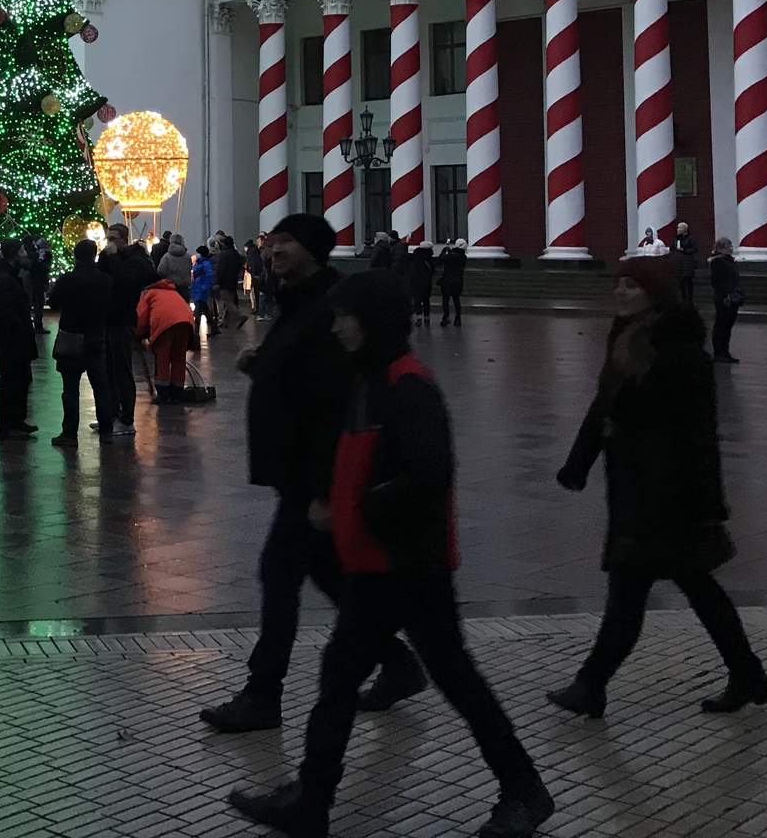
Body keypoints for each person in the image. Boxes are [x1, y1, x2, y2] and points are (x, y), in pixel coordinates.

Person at [229, 269, 554, 838]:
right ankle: (312, 799)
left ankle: (524, 789)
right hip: (374, 566)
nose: (338, 327)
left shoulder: (408, 386)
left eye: (346, 316)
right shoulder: (371, 382)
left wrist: (353, 508)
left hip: (410, 566)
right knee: (342, 680)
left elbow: (429, 475)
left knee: (456, 682)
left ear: (372, 321)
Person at [200, 215, 426, 736]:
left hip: (312, 477)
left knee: (279, 576)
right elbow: (300, 373)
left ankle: (264, 695)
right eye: (272, 243)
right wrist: (264, 363)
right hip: (298, 473)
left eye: (285, 244)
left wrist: (326, 491)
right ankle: (398, 663)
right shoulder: (299, 299)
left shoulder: (330, 308)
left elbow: (332, 400)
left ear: (314, 250)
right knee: (331, 579)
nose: (272, 251)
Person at [547, 256, 767, 719]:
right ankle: (747, 674)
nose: (622, 292)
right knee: (694, 590)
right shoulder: (626, 339)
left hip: (667, 494)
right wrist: (579, 461)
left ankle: (591, 684)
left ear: (654, 293)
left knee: (633, 593)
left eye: (632, 285)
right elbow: (603, 404)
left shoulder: (682, 353)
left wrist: (708, 503)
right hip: (636, 488)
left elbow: (700, 435)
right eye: (619, 284)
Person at [47, 239, 116, 447]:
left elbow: (53, 302)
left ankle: (69, 434)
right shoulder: (105, 280)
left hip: (71, 336)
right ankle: (106, 431)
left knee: (70, 389)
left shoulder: (68, 279)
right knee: (101, 386)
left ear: (75, 256)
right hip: (96, 336)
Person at [96, 224, 151, 437]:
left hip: (123, 320)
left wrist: (114, 259)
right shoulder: (110, 257)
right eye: (107, 238)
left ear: (123, 239)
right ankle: (111, 414)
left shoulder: (135, 261)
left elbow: (127, 283)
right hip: (108, 319)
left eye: (113, 238)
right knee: (108, 369)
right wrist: (105, 257)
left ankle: (127, 419)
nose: (109, 242)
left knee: (122, 370)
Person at [0, 238, 38, 439]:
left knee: (21, 380)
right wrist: (21, 329)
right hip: (12, 341)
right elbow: (7, 313)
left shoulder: (9, 276)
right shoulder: (4, 279)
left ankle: (17, 420)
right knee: (12, 382)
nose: (26, 254)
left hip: (16, 339)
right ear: (14, 255)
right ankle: (8, 424)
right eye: (23, 251)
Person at [136, 273, 197, 404]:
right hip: (186, 324)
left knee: (162, 357)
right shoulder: (173, 291)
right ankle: (176, 392)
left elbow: (141, 318)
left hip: (165, 326)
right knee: (178, 357)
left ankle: (163, 393)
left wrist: (138, 334)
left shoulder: (149, 293)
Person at [709, 238, 742, 364]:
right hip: (724, 298)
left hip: (732, 296)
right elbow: (717, 281)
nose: (731, 248)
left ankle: (725, 351)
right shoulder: (718, 261)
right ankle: (719, 352)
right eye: (729, 246)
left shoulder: (728, 260)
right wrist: (727, 294)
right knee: (722, 324)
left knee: (727, 325)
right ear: (723, 247)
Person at [212, 236, 245, 329]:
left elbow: (221, 269)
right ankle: (224, 322)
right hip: (233, 281)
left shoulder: (223, 254)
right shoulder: (235, 253)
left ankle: (240, 316)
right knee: (228, 301)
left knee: (228, 302)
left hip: (224, 282)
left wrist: (217, 281)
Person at [189, 244, 216, 350]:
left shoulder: (205, 264)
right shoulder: (200, 263)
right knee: (205, 311)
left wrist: (205, 288)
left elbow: (209, 277)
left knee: (198, 314)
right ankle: (214, 328)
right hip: (197, 290)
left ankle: (195, 336)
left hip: (201, 290)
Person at [25, 231, 54, 332]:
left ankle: (32, 325)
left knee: (32, 303)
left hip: (32, 281)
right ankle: (37, 326)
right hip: (39, 281)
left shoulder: (30, 253)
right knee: (38, 304)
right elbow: (43, 267)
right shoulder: (41, 254)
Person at [404, 241, 435, 327]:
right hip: (426, 282)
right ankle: (427, 318)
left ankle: (419, 318)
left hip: (416, 281)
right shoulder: (429, 258)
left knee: (417, 300)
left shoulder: (415, 256)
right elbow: (433, 270)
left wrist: (406, 245)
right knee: (426, 300)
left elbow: (405, 256)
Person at [438, 238, 467, 327]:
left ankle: (446, 317)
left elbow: (441, 258)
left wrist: (445, 250)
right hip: (458, 281)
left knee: (446, 300)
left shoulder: (451, 255)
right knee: (456, 300)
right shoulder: (463, 257)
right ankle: (458, 318)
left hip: (447, 281)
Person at [156, 232, 193, 299]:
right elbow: (190, 268)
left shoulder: (166, 257)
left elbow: (160, 271)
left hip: (171, 287)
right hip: (184, 288)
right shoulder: (188, 256)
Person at [672, 221, 698, 305]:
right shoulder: (676, 239)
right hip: (678, 262)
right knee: (681, 281)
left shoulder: (690, 238)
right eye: (677, 228)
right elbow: (671, 248)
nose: (677, 229)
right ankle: (683, 297)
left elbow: (695, 249)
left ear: (685, 229)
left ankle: (690, 298)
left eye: (679, 228)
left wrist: (685, 250)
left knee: (688, 280)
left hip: (687, 261)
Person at [244, 235, 270, 318]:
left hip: (256, 275)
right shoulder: (256, 251)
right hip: (259, 274)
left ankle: (260, 311)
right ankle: (260, 310)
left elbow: (253, 264)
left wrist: (252, 272)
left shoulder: (252, 253)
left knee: (257, 293)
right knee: (259, 294)